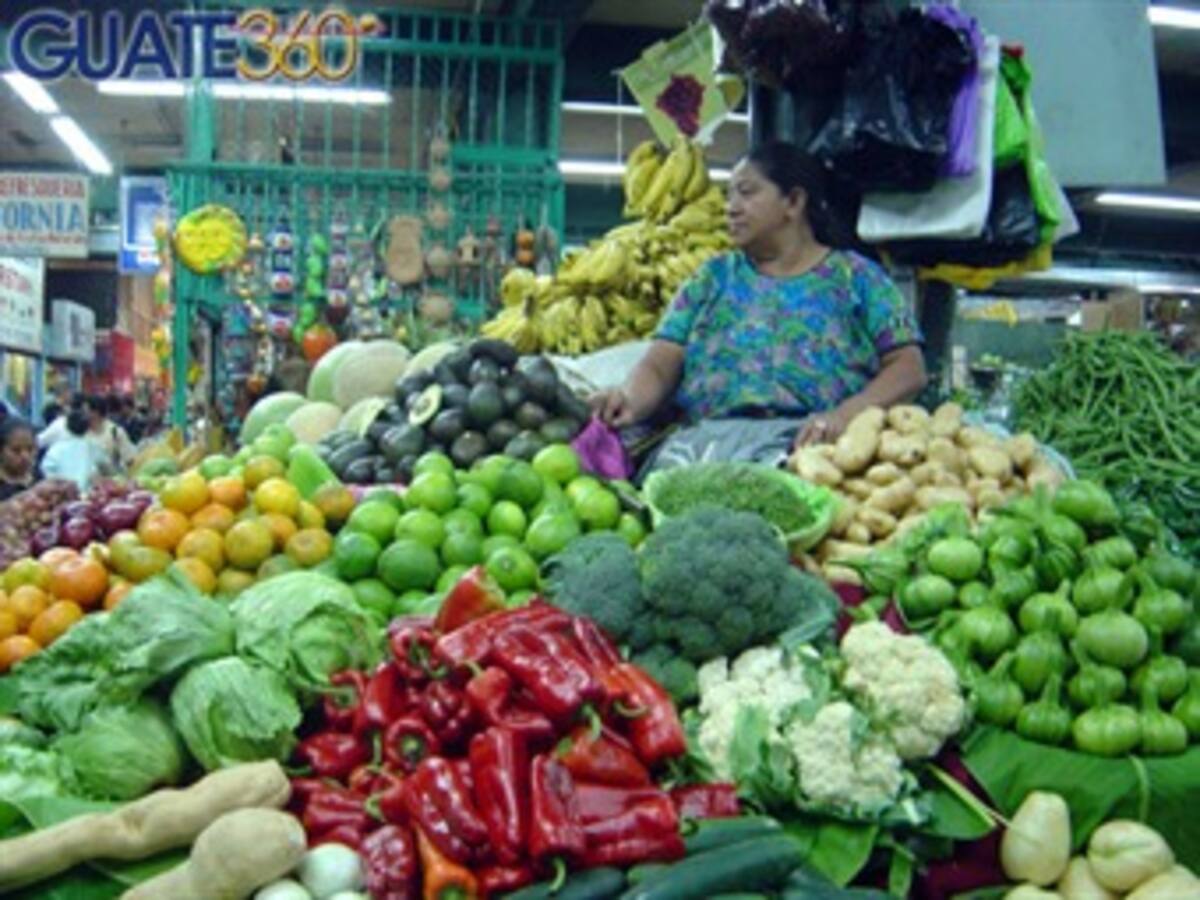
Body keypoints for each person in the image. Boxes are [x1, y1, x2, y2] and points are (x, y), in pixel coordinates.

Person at [592, 141, 927, 470]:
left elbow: (908, 369)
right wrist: (628, 399)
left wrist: (845, 415)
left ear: (793, 202)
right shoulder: (711, 278)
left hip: (815, 454)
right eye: (729, 195)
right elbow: (659, 364)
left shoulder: (858, 278)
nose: (731, 207)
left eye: (746, 192)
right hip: (705, 453)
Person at [41, 409, 101, 494]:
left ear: (67, 426)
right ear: (87, 428)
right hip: (86, 495)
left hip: (62, 494)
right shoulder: (93, 446)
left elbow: (46, 469)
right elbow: (104, 466)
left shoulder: (56, 448)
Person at [83, 395, 136, 474]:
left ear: (95, 412)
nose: (83, 414)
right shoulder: (82, 433)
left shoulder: (115, 432)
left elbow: (129, 461)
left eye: (85, 411)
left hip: (111, 479)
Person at [0, 418, 37, 501]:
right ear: (1, 451)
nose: (25, 457)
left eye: (30, 449)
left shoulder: (37, 475)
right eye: (16, 450)